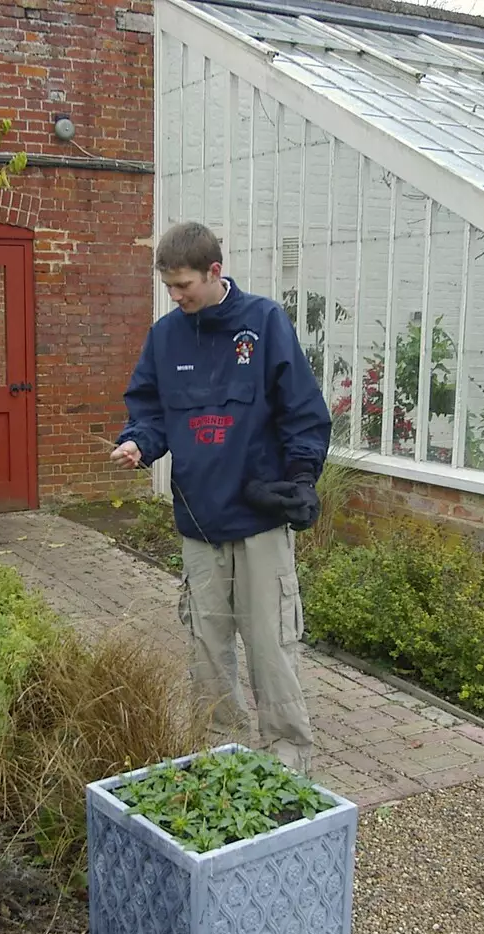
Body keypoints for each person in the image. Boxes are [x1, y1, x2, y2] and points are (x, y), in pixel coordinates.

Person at [110, 221, 333, 774]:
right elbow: (150, 411)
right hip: (199, 524)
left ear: (215, 271)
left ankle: (288, 762)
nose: (177, 296)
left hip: (258, 521)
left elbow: (302, 411)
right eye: (169, 287)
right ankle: (220, 757)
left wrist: (302, 479)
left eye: (184, 285)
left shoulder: (263, 323)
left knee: (271, 649)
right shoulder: (165, 338)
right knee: (208, 653)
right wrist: (138, 442)